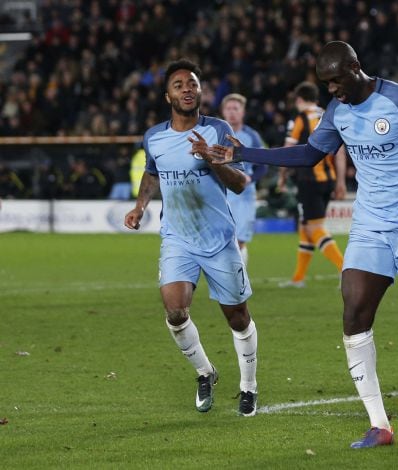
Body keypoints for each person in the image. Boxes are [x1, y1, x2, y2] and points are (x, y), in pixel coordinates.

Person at [190, 41, 398, 448]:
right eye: (326, 84)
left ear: (356, 67)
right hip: (370, 224)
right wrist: (243, 152)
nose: (332, 90)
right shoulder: (338, 111)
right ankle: (380, 425)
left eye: (337, 80)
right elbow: (309, 154)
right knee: (354, 310)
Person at [123, 59, 259, 417]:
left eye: (193, 83)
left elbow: (241, 183)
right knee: (175, 311)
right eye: (179, 84)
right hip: (177, 238)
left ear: (201, 91)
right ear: (168, 94)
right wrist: (140, 207)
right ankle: (205, 372)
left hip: (217, 239)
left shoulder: (218, 130)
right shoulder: (154, 136)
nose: (187, 88)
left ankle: (248, 386)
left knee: (238, 318)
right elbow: (152, 174)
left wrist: (211, 160)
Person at [277, 81, 346, 288]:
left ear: (298, 100)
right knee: (306, 226)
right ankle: (298, 278)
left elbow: (288, 149)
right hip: (329, 178)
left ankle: (346, 269)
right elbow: (340, 151)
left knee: (314, 227)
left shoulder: (299, 118)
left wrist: (281, 176)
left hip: (308, 180)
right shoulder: (328, 114)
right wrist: (341, 181)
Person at [220, 93, 268, 265]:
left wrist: (251, 178)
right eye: (228, 108)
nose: (232, 112)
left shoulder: (251, 136)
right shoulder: (215, 133)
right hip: (221, 194)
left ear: (243, 112)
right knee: (222, 240)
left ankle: (240, 280)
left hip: (244, 195)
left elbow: (263, 165)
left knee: (239, 240)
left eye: (236, 108)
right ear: (223, 111)